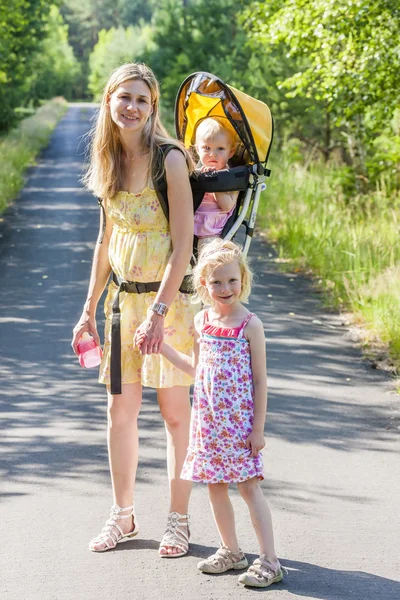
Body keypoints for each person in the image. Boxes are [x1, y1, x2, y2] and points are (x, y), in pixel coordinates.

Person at [71, 62, 198, 557]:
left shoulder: (170, 160)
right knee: (119, 412)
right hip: (123, 307)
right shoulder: (107, 159)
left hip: (169, 308)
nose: (132, 107)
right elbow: (106, 241)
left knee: (173, 413)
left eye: (142, 100)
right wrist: (88, 308)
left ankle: (178, 520)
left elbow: (183, 243)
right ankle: (122, 516)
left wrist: (160, 313)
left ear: (153, 108)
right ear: (109, 100)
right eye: (124, 97)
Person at [138, 239, 283, 588]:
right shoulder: (201, 321)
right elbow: (195, 370)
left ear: (243, 279)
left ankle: (270, 560)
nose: (225, 288)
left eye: (232, 280)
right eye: (216, 282)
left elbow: (261, 381)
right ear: (203, 284)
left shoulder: (250, 325)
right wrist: (162, 348)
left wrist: (258, 429)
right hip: (208, 425)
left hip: (240, 426)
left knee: (249, 489)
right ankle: (231, 551)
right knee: (216, 488)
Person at [194, 118, 239, 250]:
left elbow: (226, 206)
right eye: (207, 148)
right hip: (189, 224)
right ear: (197, 149)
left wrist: (214, 182)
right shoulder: (196, 173)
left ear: (230, 152)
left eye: (220, 149)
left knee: (207, 251)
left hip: (212, 230)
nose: (213, 154)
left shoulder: (231, 177)